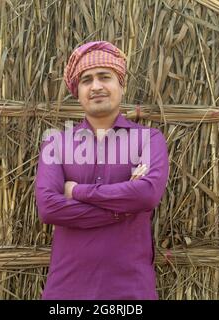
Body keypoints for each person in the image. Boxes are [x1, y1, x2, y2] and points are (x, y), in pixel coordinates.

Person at [35, 41, 169, 300]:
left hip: (131, 290)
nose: (96, 86)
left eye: (104, 77)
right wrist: (123, 208)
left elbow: (147, 196)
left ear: (121, 84)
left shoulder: (148, 139)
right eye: (86, 80)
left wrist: (77, 191)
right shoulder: (57, 143)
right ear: (77, 91)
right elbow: (48, 207)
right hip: (67, 292)